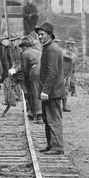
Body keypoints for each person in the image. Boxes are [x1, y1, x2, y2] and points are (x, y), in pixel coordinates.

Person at [35, 21, 67, 155]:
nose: (40, 37)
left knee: (53, 119)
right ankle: (51, 144)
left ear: (49, 35)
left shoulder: (52, 49)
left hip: (52, 92)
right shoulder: (48, 48)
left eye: (42, 34)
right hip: (50, 91)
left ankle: (57, 147)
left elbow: (52, 73)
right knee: (48, 119)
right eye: (39, 35)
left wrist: (45, 91)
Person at [19, 31, 42, 121]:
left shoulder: (25, 53)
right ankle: (39, 112)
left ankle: (38, 113)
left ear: (24, 46)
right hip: (42, 74)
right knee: (41, 93)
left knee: (34, 93)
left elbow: (24, 69)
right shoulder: (39, 52)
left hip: (33, 75)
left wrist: (25, 79)